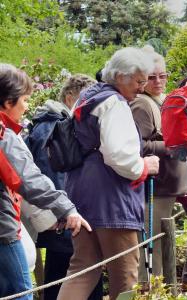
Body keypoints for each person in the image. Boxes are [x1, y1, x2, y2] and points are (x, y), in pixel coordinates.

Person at [57, 47, 160, 300]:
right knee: (125, 273)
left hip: (81, 192)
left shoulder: (88, 96)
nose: (142, 87)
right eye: (138, 81)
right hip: (111, 198)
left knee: (83, 268)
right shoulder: (114, 103)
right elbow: (119, 155)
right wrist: (145, 166)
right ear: (121, 76)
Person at [0, 63, 91, 300]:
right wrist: (66, 207)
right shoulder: (4, 137)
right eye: (25, 100)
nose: (27, 107)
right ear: (9, 102)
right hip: (2, 228)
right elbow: (28, 179)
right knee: (21, 293)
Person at [25, 74, 103, 300]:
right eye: (85, 99)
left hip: (63, 215)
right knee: (66, 275)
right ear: (70, 97)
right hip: (64, 218)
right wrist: (64, 212)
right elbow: (52, 174)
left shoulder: (50, 122)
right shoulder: (53, 126)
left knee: (62, 274)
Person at [129, 46, 187, 281]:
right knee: (152, 245)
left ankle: (161, 289)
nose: (159, 81)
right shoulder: (142, 104)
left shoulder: (159, 99)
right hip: (156, 186)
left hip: (167, 184)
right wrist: (172, 146)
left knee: (163, 243)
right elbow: (139, 146)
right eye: (152, 77)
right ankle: (148, 290)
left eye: (162, 75)